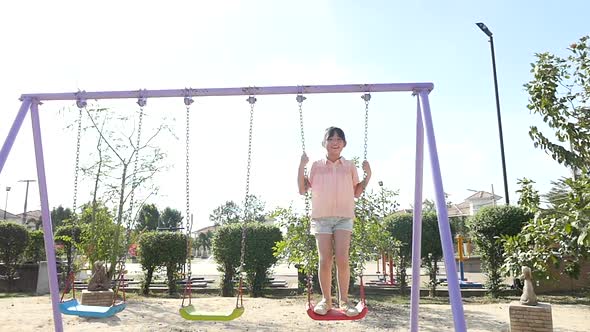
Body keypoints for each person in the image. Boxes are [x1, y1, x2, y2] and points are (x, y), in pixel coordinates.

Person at [297, 126, 371, 317]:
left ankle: (345, 301)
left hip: (344, 217)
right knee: (325, 259)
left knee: (343, 258)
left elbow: (356, 192)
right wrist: (301, 165)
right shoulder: (315, 165)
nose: (335, 142)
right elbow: (302, 189)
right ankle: (326, 301)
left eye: (339, 139)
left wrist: (367, 176)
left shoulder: (349, 166)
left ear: (344, 144)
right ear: (325, 143)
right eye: (331, 139)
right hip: (322, 217)